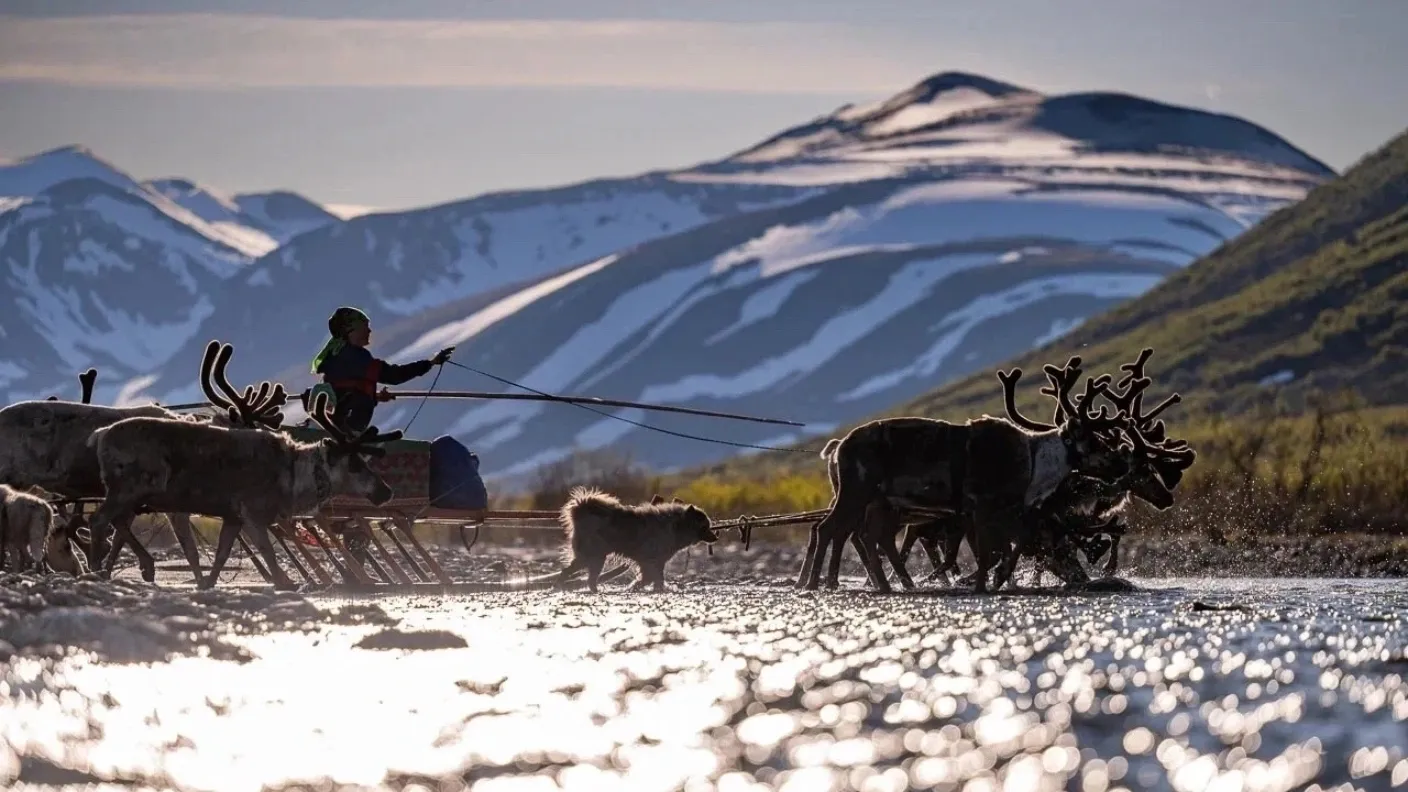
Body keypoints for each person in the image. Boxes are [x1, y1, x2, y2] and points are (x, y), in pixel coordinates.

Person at [310, 306, 455, 433]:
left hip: (337, 421)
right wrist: (430, 363)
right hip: (344, 427)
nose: (369, 330)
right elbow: (393, 375)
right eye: (364, 326)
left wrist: (375, 396)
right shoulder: (355, 356)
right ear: (351, 330)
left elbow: (343, 388)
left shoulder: (336, 354)